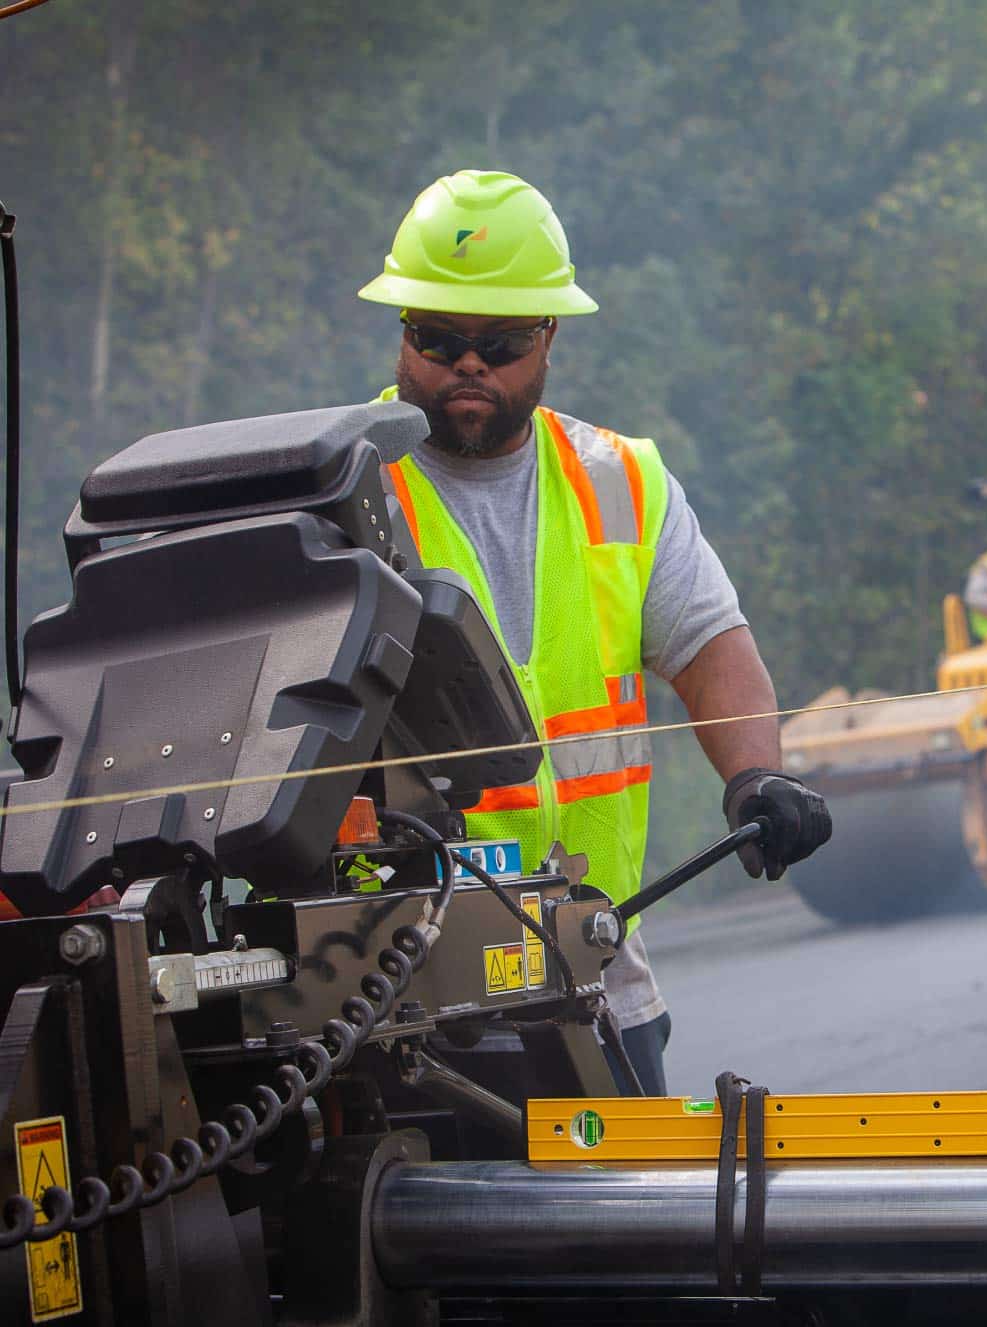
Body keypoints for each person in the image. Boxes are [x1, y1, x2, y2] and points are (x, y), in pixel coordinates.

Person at [358, 169, 831, 1093]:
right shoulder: (344, 491)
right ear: (401, 329)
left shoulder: (623, 480)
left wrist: (754, 774)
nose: (468, 364)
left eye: (498, 342)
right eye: (438, 337)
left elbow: (708, 648)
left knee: (628, 1233)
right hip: (397, 994)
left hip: (598, 977)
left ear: (549, 337)